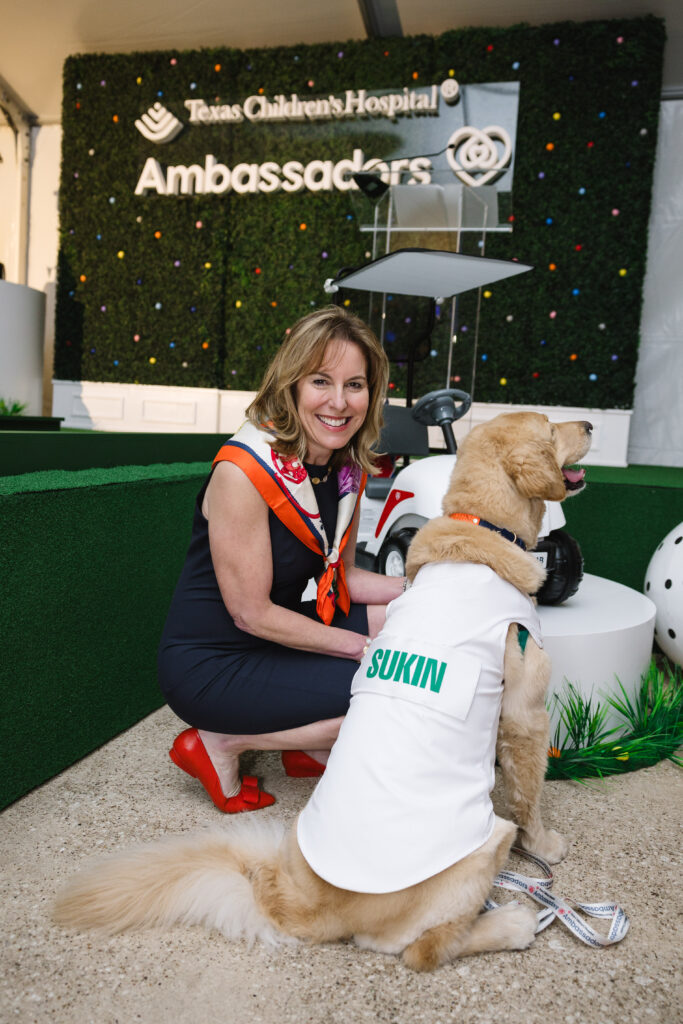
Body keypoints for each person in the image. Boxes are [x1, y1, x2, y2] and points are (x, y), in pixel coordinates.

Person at [158, 305, 406, 813]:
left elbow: (343, 574)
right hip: (214, 662)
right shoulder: (243, 471)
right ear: (292, 385)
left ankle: (307, 746)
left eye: (355, 384)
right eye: (321, 381)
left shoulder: (344, 467)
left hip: (280, 635)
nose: (339, 402)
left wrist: (422, 590)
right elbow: (249, 612)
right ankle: (220, 742)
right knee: (393, 689)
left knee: (404, 620)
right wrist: (364, 650)